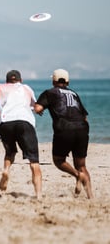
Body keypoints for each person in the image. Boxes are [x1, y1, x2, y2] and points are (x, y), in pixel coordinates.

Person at [0, 70, 42, 199]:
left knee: (10, 152)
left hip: (6, 124)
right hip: (24, 122)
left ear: (7, 81)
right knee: (34, 161)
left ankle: (6, 170)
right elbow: (36, 107)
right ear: (20, 80)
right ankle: (38, 195)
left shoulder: (2, 87)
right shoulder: (26, 88)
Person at [34, 69, 94, 199]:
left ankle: (77, 175)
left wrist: (36, 107)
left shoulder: (50, 92)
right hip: (82, 129)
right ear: (67, 81)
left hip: (64, 129)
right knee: (82, 165)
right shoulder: (74, 93)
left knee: (59, 160)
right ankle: (91, 196)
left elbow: (38, 108)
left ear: (53, 81)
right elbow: (84, 117)